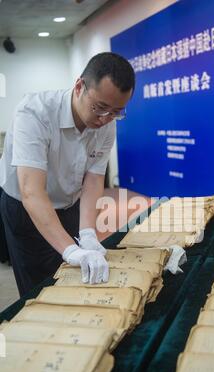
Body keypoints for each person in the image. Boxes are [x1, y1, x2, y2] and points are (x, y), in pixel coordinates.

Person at [0, 52, 135, 297]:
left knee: (77, 279)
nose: (105, 119)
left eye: (116, 112)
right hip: (26, 208)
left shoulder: (107, 122)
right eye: (100, 107)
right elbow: (32, 192)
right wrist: (71, 250)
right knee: (40, 288)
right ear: (79, 87)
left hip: (69, 203)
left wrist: (87, 233)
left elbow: (94, 179)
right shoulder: (34, 113)